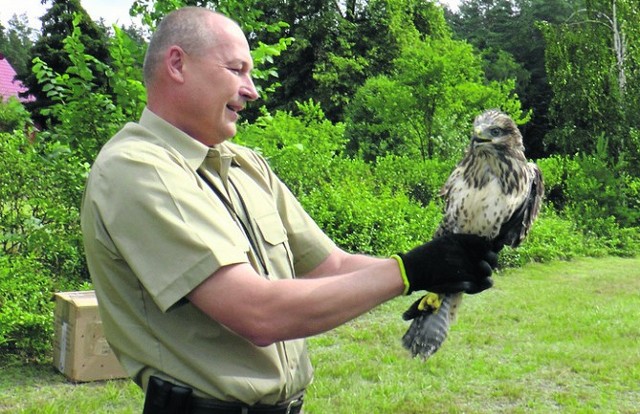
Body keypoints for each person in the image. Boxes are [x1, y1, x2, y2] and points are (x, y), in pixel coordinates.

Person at [80, 6, 496, 414]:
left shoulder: (245, 165)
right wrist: (406, 272)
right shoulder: (136, 168)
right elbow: (257, 313)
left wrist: (439, 266)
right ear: (177, 64)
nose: (252, 89)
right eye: (236, 69)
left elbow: (330, 265)